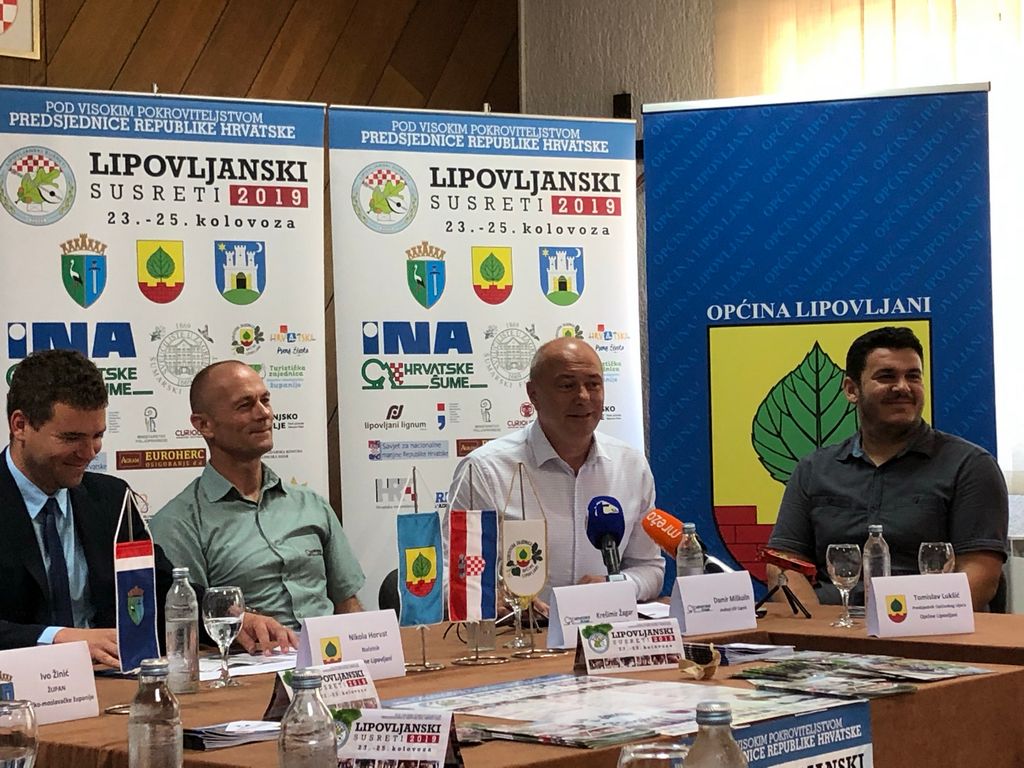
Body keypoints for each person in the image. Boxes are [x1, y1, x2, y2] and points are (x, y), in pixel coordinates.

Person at [0, 349, 296, 666]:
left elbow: (161, 588)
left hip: (113, 679)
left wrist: (231, 617)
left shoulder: (111, 499)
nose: (89, 452)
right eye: (71, 437)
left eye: (97, 435)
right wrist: (57, 638)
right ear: (20, 425)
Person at [767, 326, 1008, 610]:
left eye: (913, 376)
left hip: (930, 626)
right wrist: (819, 627)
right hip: (832, 625)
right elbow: (783, 564)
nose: (903, 387)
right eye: (886, 376)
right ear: (851, 390)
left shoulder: (970, 466)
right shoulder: (813, 469)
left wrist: (899, 623)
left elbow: (981, 576)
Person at [448, 338, 664, 607]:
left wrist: (616, 585)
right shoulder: (485, 470)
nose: (583, 397)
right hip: (522, 629)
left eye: (593, 384)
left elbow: (649, 568)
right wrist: (500, 600)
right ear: (533, 394)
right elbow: (453, 576)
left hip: (604, 626)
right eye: (567, 385)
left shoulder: (631, 465)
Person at [150, 360, 365, 630]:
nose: (264, 413)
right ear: (204, 424)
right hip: (248, 656)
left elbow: (347, 603)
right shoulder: (178, 523)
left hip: (328, 651)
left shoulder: (311, 505)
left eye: (265, 400)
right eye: (245, 405)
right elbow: (187, 626)